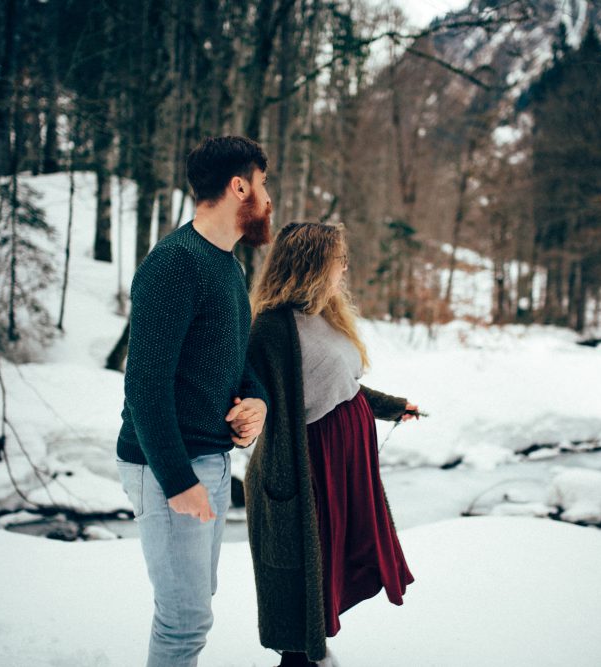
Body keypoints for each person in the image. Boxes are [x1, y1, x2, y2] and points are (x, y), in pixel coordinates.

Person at [115, 135, 272, 667]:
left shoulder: (227, 265)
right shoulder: (174, 264)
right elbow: (144, 386)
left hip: (211, 460)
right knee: (183, 621)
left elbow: (235, 360)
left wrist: (257, 402)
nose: (269, 199)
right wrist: (179, 481)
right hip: (167, 465)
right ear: (239, 187)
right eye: (263, 184)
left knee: (195, 605)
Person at [244, 222, 419, 666]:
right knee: (306, 562)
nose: (344, 267)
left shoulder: (325, 314)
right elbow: (253, 397)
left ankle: (312, 647)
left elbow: (344, 386)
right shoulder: (271, 328)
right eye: (338, 259)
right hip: (311, 463)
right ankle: (298, 657)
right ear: (313, 264)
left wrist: (393, 406)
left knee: (335, 556)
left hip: (345, 461)